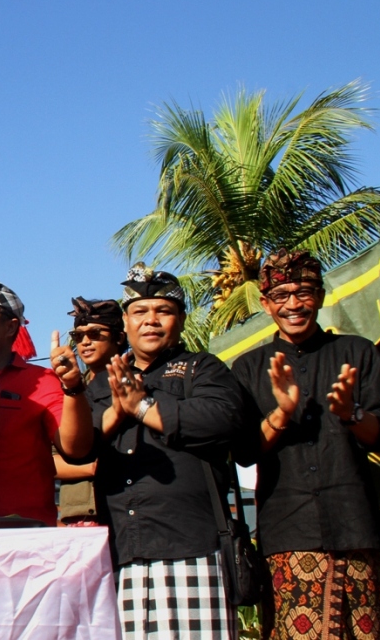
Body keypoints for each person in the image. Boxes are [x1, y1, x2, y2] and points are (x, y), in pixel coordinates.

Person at [231, 249, 380, 639]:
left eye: (303, 292)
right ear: (267, 304)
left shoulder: (356, 353)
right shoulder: (248, 368)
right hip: (288, 531)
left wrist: (352, 414)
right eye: (282, 295)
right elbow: (244, 450)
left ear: (319, 297)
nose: (294, 304)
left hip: (355, 524)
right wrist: (281, 413)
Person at [88, 263, 245, 639]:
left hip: (190, 546)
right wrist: (116, 411)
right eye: (140, 312)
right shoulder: (100, 383)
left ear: (182, 319)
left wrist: (144, 409)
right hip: (119, 549)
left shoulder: (201, 368)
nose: (151, 321)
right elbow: (77, 447)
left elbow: (224, 419)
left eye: (164, 311)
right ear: (125, 323)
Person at [0, 273, 92, 525]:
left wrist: (73, 386)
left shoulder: (41, 381)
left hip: (23, 530)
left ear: (10, 326)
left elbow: (76, 449)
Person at [54, 297, 126, 526]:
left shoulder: (137, 381)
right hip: (78, 513)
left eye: (95, 334)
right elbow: (48, 462)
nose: (85, 342)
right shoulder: (66, 390)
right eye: (78, 336)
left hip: (126, 506)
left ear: (119, 337)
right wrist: (94, 466)